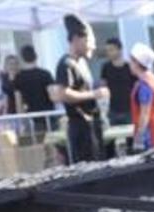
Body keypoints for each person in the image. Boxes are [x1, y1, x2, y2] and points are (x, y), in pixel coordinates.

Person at [52, 14, 109, 164]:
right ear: (76, 38)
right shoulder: (66, 64)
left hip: (92, 123)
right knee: (88, 169)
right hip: (80, 126)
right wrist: (93, 94)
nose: (93, 46)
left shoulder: (82, 62)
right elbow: (62, 93)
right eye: (90, 41)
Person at [128, 43, 154, 151]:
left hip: (152, 132)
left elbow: (145, 114)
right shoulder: (151, 80)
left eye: (131, 61)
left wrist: (138, 138)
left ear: (136, 63)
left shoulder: (145, 85)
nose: (129, 64)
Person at [13, 45, 56, 131]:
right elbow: (53, 96)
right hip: (48, 115)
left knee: (37, 142)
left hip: (31, 117)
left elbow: (18, 102)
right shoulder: (45, 74)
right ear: (36, 56)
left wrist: (22, 120)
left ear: (22, 58)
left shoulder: (18, 77)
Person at [99, 38, 136, 126]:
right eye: (107, 50)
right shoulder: (105, 67)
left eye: (111, 50)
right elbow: (103, 87)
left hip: (129, 109)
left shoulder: (130, 67)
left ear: (119, 50)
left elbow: (136, 87)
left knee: (131, 137)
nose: (109, 53)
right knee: (111, 137)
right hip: (112, 110)